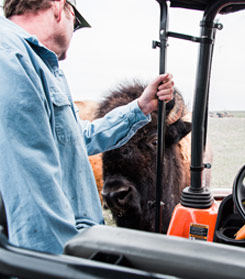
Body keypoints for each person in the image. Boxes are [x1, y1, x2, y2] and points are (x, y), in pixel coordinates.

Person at [0, 0, 174, 254]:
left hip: (78, 241)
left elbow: (75, 139)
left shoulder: (40, 66)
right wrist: (60, 267)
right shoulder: (10, 59)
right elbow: (29, 182)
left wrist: (140, 107)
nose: (74, 33)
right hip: (57, 253)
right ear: (60, 8)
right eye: (77, 22)